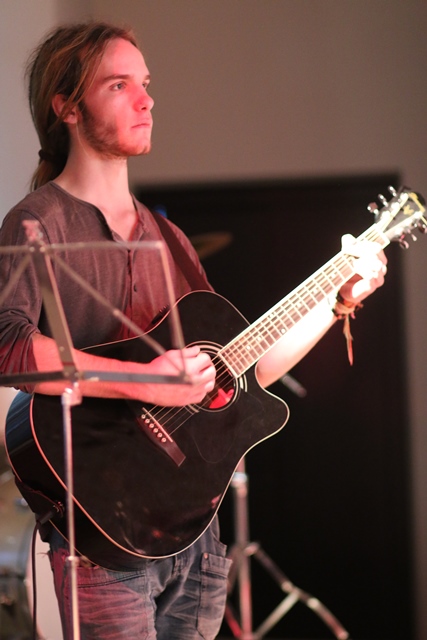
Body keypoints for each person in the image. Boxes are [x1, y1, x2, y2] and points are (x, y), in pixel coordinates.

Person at [0, 21, 387, 640]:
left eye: (146, 83)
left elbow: (246, 372)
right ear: (67, 107)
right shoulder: (37, 224)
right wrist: (145, 381)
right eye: (120, 85)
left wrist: (336, 300)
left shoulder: (170, 239)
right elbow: (8, 347)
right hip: (104, 538)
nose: (146, 100)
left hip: (195, 535)